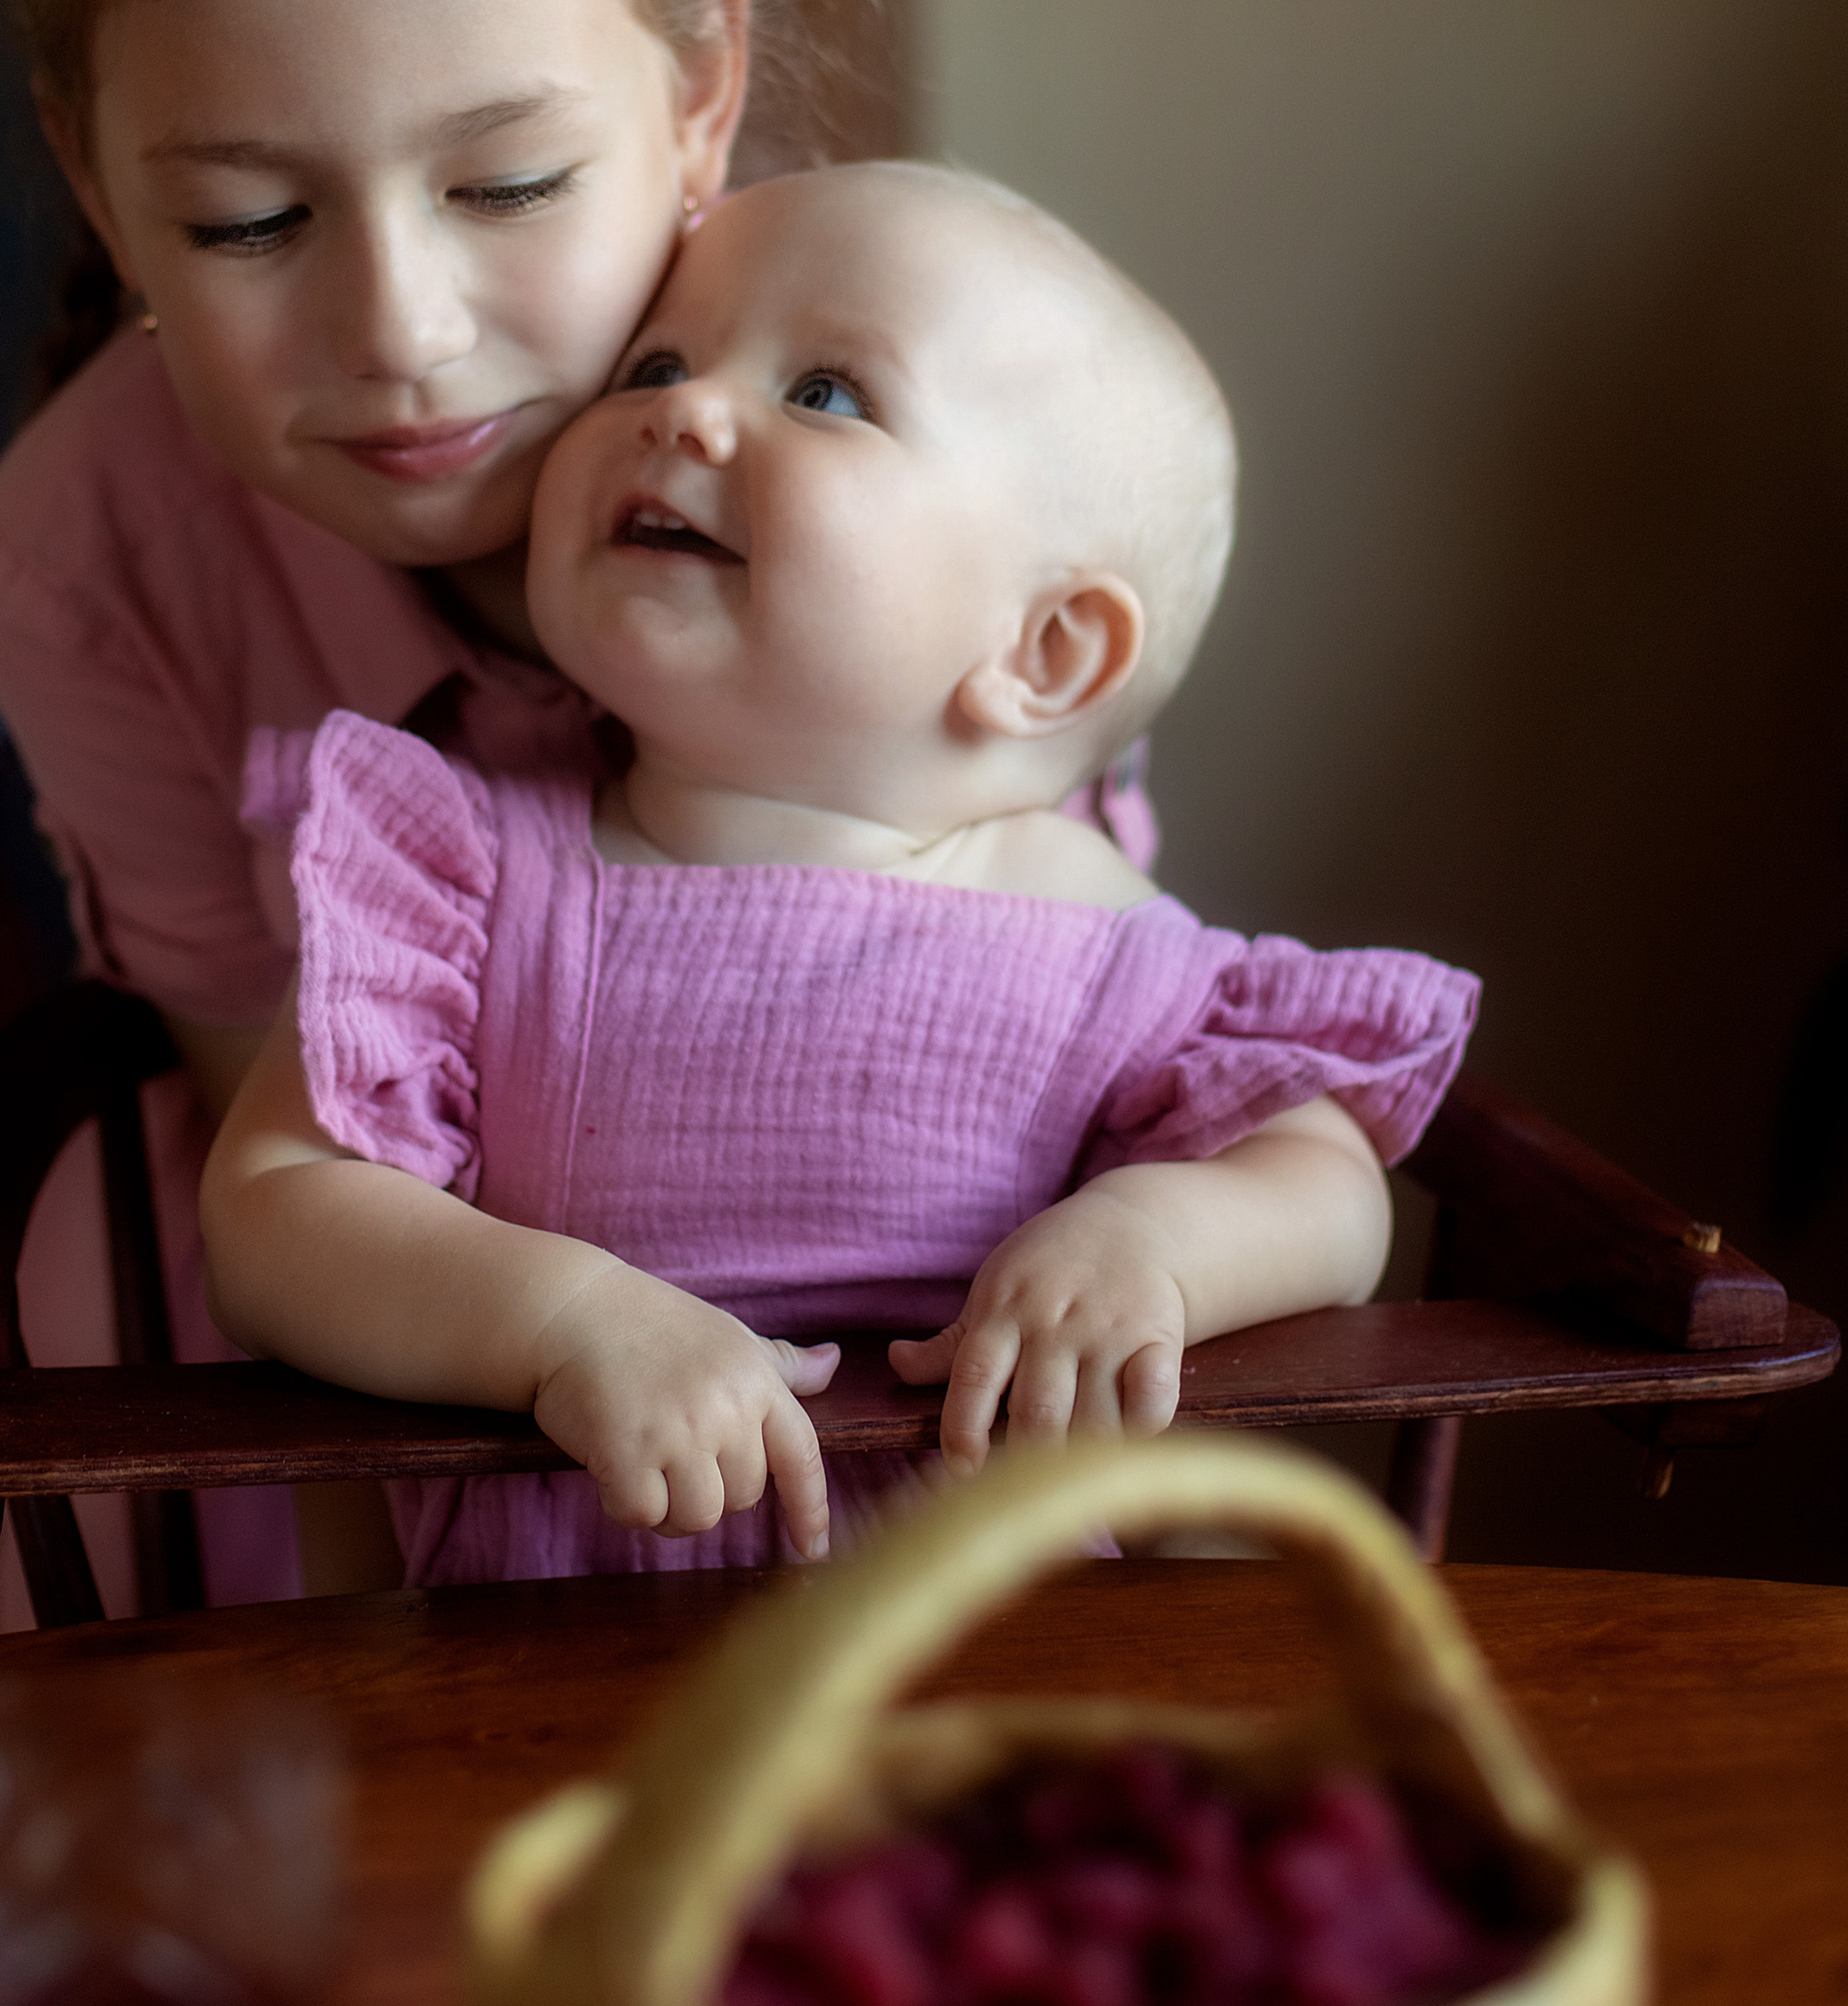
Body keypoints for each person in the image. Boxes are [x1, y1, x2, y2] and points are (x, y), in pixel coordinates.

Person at [0, 0, 852, 1617]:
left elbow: (1065, 1002)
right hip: (342, 1386)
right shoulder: (95, 554)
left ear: (698, 90)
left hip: (884, 1345)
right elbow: (297, 1171)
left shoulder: (916, 429)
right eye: (254, 220)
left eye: (505, 186)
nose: (399, 327)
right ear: (101, 183)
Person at [201, 163, 1478, 1585]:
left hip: (987, 1639)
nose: (678, 410)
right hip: (558, 1646)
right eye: (657, 363)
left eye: (825, 393)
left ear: (1042, 652)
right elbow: (275, 1205)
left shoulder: (1094, 933)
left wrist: (1150, 1242)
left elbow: (1332, 1184)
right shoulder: (468, 878)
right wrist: (563, 1322)